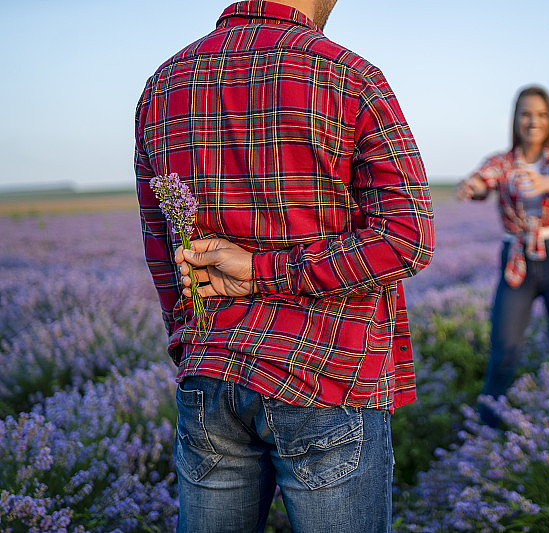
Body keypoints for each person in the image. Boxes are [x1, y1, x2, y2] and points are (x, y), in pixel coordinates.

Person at [134, 1, 435, 531]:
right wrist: (260, 269)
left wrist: (190, 342)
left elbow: (163, 255)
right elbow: (406, 238)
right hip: (326, 372)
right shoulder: (350, 76)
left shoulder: (162, 85)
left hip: (211, 371)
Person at [456, 85, 549, 427]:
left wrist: (543, 183)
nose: (533, 121)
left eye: (541, 115)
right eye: (526, 114)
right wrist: (472, 185)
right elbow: (485, 178)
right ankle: (485, 431)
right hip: (516, 260)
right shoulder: (504, 161)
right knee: (503, 353)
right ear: (515, 118)